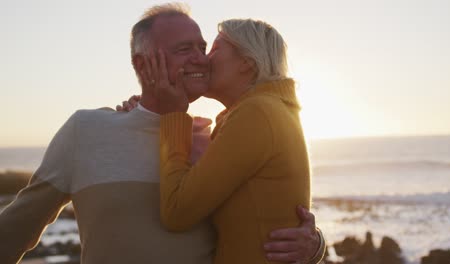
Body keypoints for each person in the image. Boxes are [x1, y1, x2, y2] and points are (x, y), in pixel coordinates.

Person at [0, 3, 325, 264]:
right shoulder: (87, 131)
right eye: (186, 49)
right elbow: (18, 226)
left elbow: (264, 212)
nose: (201, 58)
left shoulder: (216, 135)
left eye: (204, 47)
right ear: (142, 65)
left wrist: (314, 245)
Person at [137, 13, 323, 263]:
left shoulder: (256, 113)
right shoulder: (273, 109)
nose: (204, 60)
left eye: (213, 50)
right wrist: (141, 115)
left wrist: (173, 116)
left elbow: (177, 212)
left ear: (246, 62)